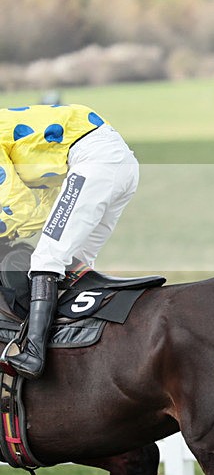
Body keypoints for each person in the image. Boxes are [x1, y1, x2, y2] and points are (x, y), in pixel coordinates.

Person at [0, 104, 139, 379]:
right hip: (118, 162)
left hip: (94, 160)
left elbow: (18, 208)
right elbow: (46, 202)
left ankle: (33, 354)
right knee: (75, 264)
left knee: (47, 258)